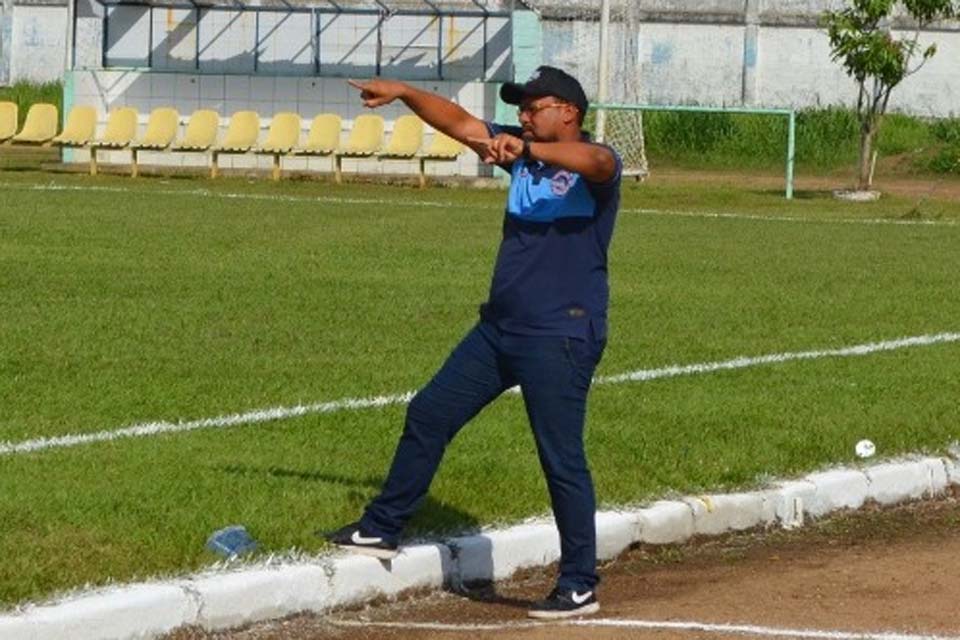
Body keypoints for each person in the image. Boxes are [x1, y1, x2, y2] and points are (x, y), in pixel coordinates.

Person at [326, 65, 622, 619]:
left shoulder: (595, 163)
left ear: (569, 113)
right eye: (520, 108)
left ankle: (579, 584)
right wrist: (405, 92)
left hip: (559, 333)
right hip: (499, 329)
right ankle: (382, 527)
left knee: (560, 458)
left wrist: (527, 150)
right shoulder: (520, 153)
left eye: (534, 107)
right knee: (430, 412)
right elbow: (460, 122)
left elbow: (597, 162)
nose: (523, 116)